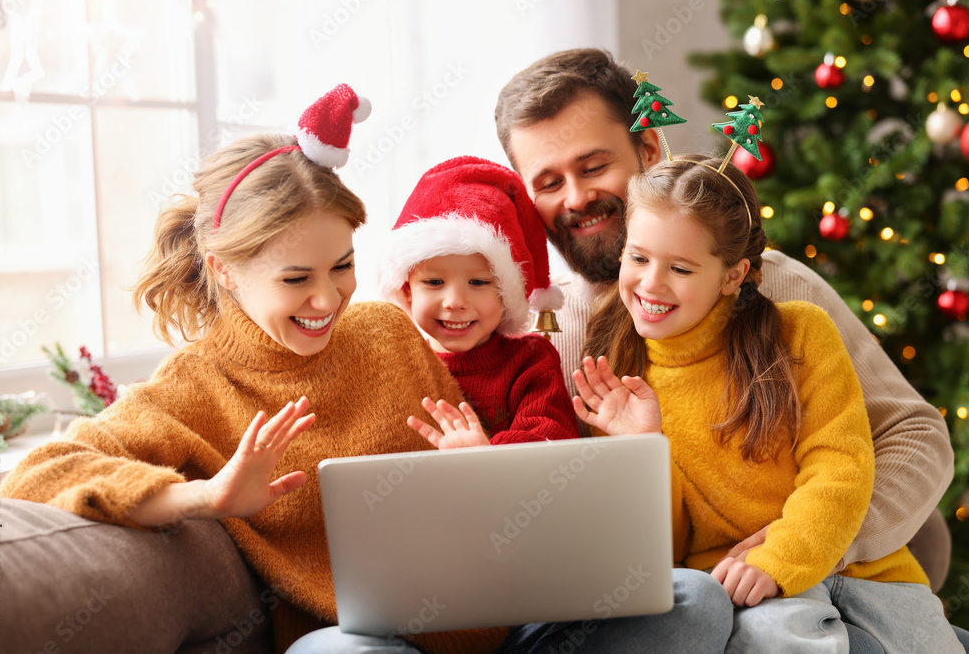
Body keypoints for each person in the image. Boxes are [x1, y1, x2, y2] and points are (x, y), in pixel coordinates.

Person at [0, 86, 733, 654]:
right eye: (295, 279)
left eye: (342, 267)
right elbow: (38, 472)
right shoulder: (192, 386)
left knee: (694, 602)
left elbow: (496, 470)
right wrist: (204, 496)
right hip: (364, 637)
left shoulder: (382, 326)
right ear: (223, 271)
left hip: (507, 620)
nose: (327, 299)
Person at [494, 48, 968, 650]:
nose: (576, 197)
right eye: (549, 182)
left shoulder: (781, 292)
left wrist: (804, 543)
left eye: (593, 166)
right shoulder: (537, 331)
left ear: (647, 152)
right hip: (692, 601)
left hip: (816, 579)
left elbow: (913, 436)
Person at [571, 154, 963, 651]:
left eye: (681, 268)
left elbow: (840, 467)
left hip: (858, 574)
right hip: (734, 592)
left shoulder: (800, 334)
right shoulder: (616, 372)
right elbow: (664, 557)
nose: (651, 283)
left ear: (733, 275)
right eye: (639, 257)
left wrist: (780, 558)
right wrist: (646, 449)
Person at [377, 156, 577, 447]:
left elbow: (552, 436)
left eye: (479, 282)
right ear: (407, 291)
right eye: (434, 282)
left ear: (506, 294)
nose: (455, 302)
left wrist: (485, 457)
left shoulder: (530, 361)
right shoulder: (397, 364)